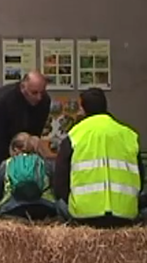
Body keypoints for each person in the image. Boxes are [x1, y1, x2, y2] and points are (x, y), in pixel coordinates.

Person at [53, 88, 141, 227]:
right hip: (124, 215)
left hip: (84, 215)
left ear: (83, 108)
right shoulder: (129, 135)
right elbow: (140, 175)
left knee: (58, 205)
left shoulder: (75, 135)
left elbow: (59, 181)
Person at [0, 71, 51, 177]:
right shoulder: (2, 100)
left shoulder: (44, 101)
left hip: (23, 133)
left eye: (42, 92)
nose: (39, 97)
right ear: (23, 87)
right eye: (34, 93)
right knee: (2, 171)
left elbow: (36, 132)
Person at [0, 132, 56, 220]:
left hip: (14, 208)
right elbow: (56, 188)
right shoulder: (44, 163)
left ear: (14, 148)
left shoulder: (7, 164)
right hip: (44, 207)